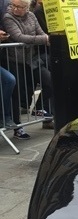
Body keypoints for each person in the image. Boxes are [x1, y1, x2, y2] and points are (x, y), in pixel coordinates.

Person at [3, 0, 53, 134]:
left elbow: (41, 32)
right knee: (17, 93)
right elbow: (19, 37)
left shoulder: (31, 16)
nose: (15, 9)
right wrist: (43, 39)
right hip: (15, 60)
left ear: (26, 7)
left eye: (19, 7)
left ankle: (39, 107)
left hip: (32, 59)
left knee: (50, 82)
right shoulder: (8, 17)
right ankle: (17, 127)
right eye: (13, 5)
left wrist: (43, 38)